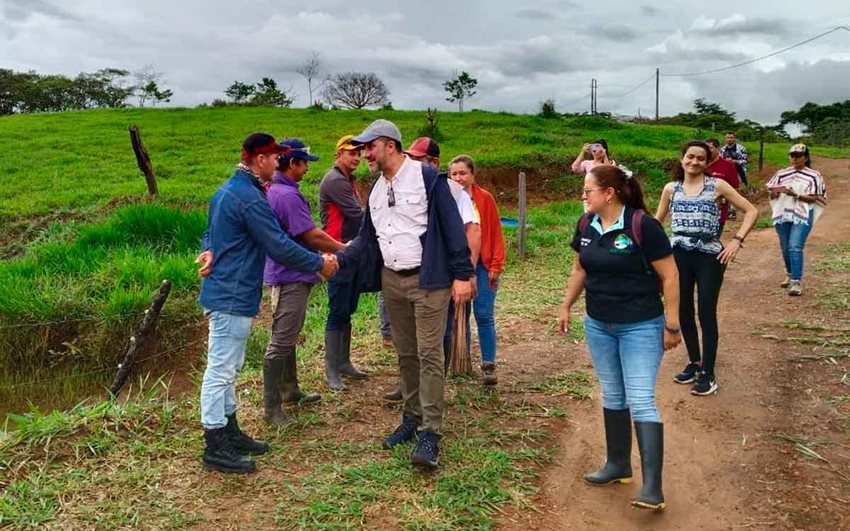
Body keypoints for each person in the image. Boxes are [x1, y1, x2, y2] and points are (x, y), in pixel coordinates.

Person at [196, 132, 338, 474]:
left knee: (229, 367)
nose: (279, 162)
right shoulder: (248, 197)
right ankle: (215, 443)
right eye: (275, 157)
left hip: (231, 292)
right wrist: (320, 264)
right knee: (221, 370)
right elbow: (277, 244)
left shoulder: (228, 190)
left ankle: (230, 431)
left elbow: (210, 232)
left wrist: (209, 248)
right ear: (260, 159)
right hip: (232, 294)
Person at [337, 119, 473, 469]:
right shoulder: (377, 190)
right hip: (392, 281)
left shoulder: (428, 179)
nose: (364, 153)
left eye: (369, 146)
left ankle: (430, 432)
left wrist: (463, 275)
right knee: (406, 354)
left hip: (429, 281)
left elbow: (454, 229)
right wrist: (334, 260)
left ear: (389, 145)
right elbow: (366, 238)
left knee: (429, 355)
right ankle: (411, 418)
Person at [557, 164, 680, 511]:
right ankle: (618, 464)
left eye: (588, 190)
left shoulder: (643, 225)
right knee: (612, 393)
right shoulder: (585, 225)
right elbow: (580, 268)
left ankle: (653, 486)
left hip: (640, 325)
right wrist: (566, 306)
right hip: (599, 324)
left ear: (608, 193)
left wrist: (672, 324)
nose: (583, 196)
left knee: (640, 398)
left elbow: (670, 275)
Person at [655, 141, 758, 396]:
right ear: (682, 160)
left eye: (701, 158)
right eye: (690, 157)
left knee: (706, 312)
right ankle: (695, 361)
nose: (694, 162)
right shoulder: (671, 189)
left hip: (710, 256)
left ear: (707, 162)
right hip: (678, 254)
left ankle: (708, 373)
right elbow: (657, 221)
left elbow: (751, 210)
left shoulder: (717, 186)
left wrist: (737, 241)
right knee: (684, 310)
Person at [262, 138, 346, 425]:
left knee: (288, 335)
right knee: (282, 339)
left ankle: (289, 390)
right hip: (290, 276)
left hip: (288, 273)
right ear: (291, 163)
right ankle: (272, 409)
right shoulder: (286, 195)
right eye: (303, 163)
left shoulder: (280, 191)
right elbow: (312, 235)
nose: (307, 169)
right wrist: (344, 249)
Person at [318, 135, 370, 391]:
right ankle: (331, 370)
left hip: (351, 251)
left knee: (347, 308)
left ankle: (344, 362)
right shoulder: (335, 181)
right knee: (337, 310)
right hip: (337, 252)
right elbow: (357, 214)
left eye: (359, 154)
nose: (356, 158)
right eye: (351, 153)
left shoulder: (347, 179)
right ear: (338, 154)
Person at [449, 154, 506, 385]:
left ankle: (489, 364)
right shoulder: (446, 199)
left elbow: (495, 232)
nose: (458, 178)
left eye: (463, 173)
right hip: (456, 267)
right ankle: (463, 361)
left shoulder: (485, 199)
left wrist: (496, 264)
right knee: (460, 315)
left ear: (473, 175)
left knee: (483, 314)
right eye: (454, 174)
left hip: (483, 265)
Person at [766, 143, 827, 296]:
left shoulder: (814, 175)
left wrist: (796, 195)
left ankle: (796, 281)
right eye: (792, 155)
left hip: (802, 213)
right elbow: (771, 191)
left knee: (795, 246)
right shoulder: (782, 173)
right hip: (783, 212)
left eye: (798, 156)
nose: (794, 158)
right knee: (785, 247)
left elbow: (814, 197)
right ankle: (790, 273)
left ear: (805, 157)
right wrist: (775, 193)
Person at [704, 138, 741, 225]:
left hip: (718, 213)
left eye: (710, 148)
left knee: (714, 238)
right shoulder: (700, 165)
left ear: (718, 149)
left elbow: (735, 187)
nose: (707, 151)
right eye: (705, 148)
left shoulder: (728, 166)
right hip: (697, 212)